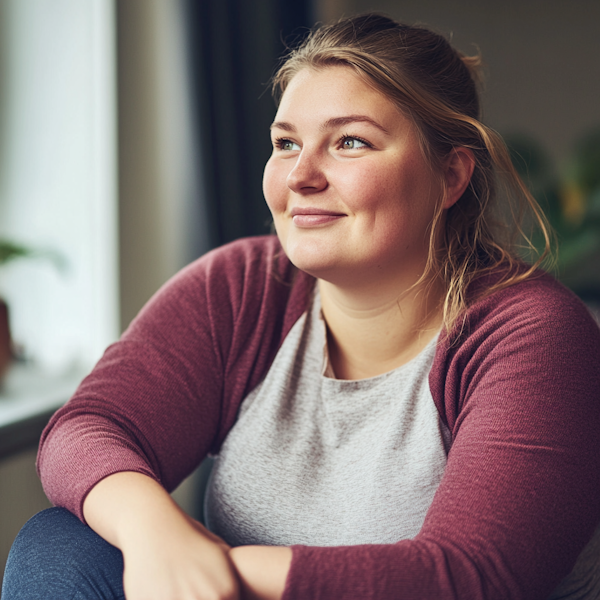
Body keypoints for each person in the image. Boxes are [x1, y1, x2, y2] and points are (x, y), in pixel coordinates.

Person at [3, 12, 600, 600]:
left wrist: (214, 565)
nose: (300, 176)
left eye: (349, 142)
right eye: (285, 143)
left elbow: (470, 578)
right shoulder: (242, 287)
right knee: (59, 544)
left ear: (450, 177)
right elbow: (88, 427)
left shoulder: (534, 334)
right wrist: (156, 536)